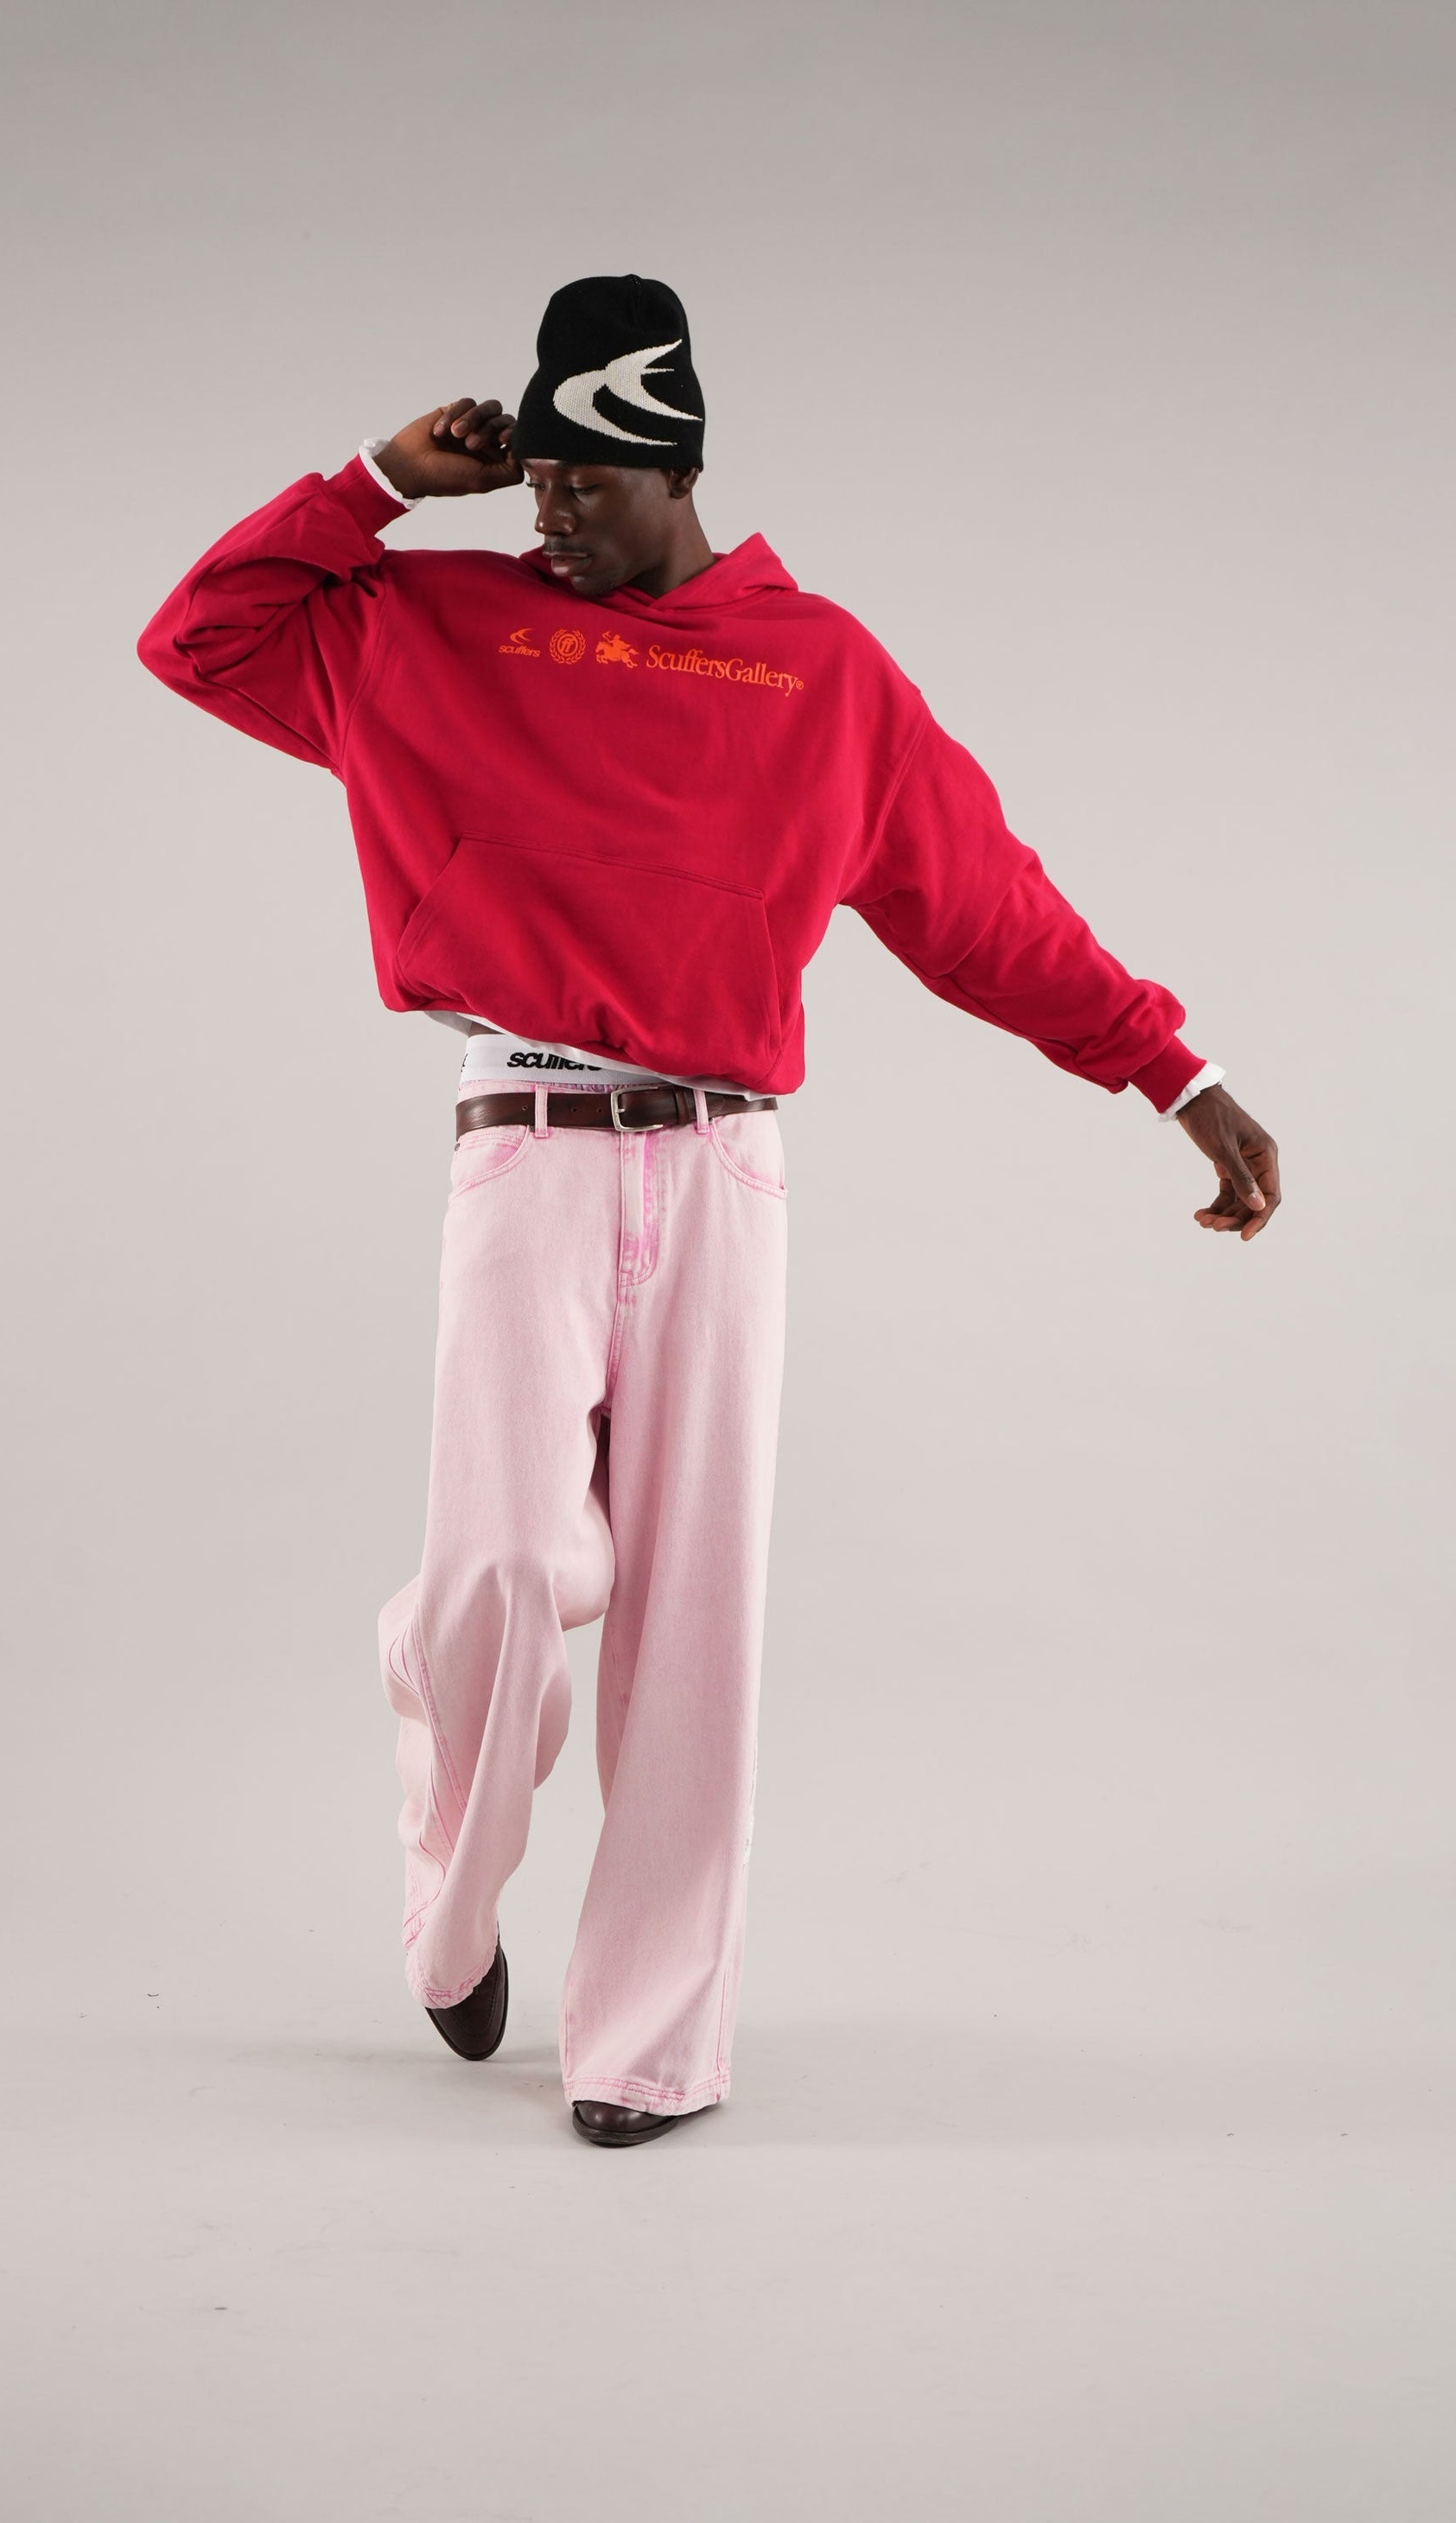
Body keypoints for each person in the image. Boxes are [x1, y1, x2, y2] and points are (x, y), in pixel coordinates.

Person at [137, 272, 1281, 2149]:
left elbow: (984, 908)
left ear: (676, 471)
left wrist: (1172, 1073)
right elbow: (199, 635)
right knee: (504, 1573)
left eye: (584, 484)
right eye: (531, 480)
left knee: (693, 1616)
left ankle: (649, 2045)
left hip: (724, 1166)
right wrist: (376, 482)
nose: (547, 515)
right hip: (525, 1145)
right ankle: (449, 1900)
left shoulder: (819, 671)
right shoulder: (428, 627)